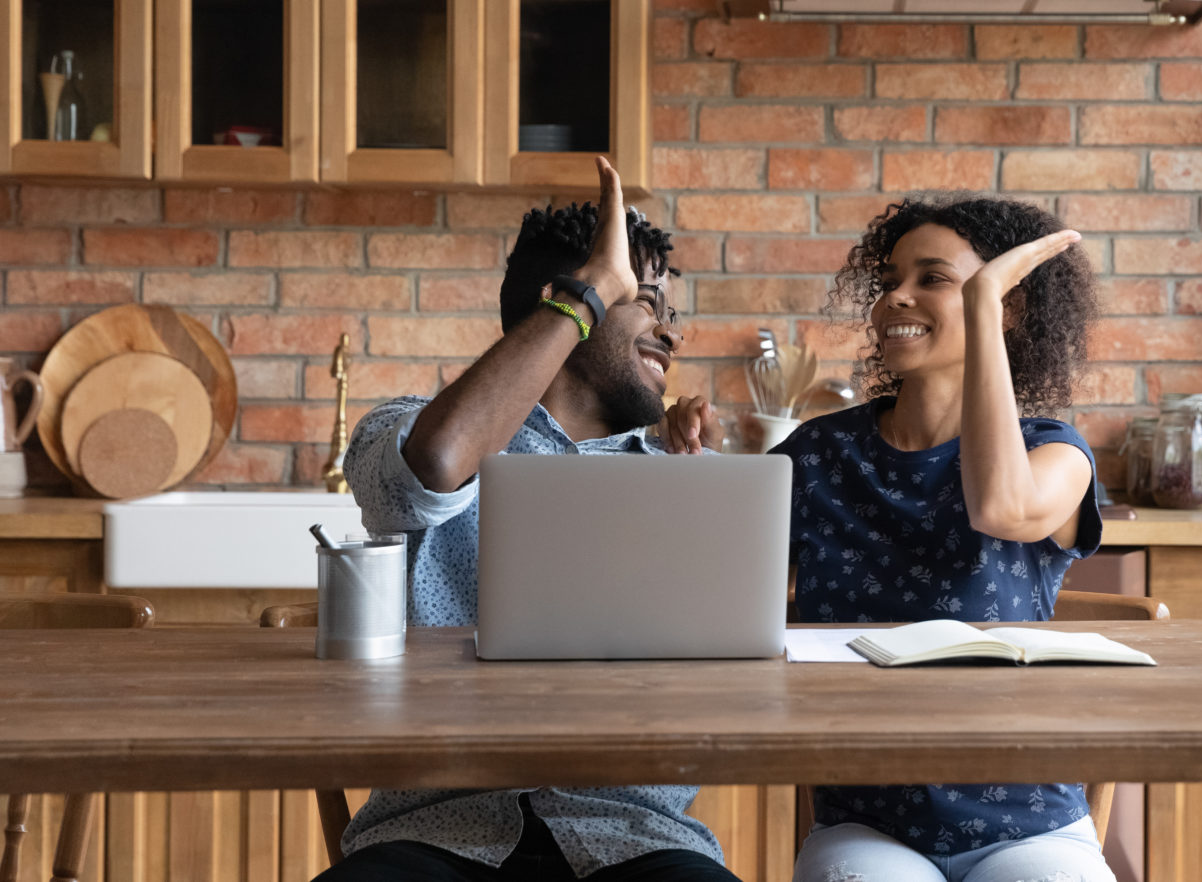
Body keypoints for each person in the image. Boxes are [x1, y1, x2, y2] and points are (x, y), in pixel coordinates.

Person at [668, 195, 1112, 882]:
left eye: (931, 278)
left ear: (1009, 311)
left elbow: (1001, 506)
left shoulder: (1055, 452)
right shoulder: (816, 454)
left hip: (1034, 820)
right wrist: (690, 476)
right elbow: (712, 604)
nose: (894, 298)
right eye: (888, 282)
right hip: (867, 820)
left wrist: (987, 296)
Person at [322, 158, 733, 882]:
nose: (671, 332)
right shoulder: (408, 428)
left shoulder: (683, 469)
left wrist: (701, 488)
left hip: (635, 837)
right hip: (438, 831)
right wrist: (593, 295)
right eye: (647, 302)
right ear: (566, 301)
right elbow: (438, 465)